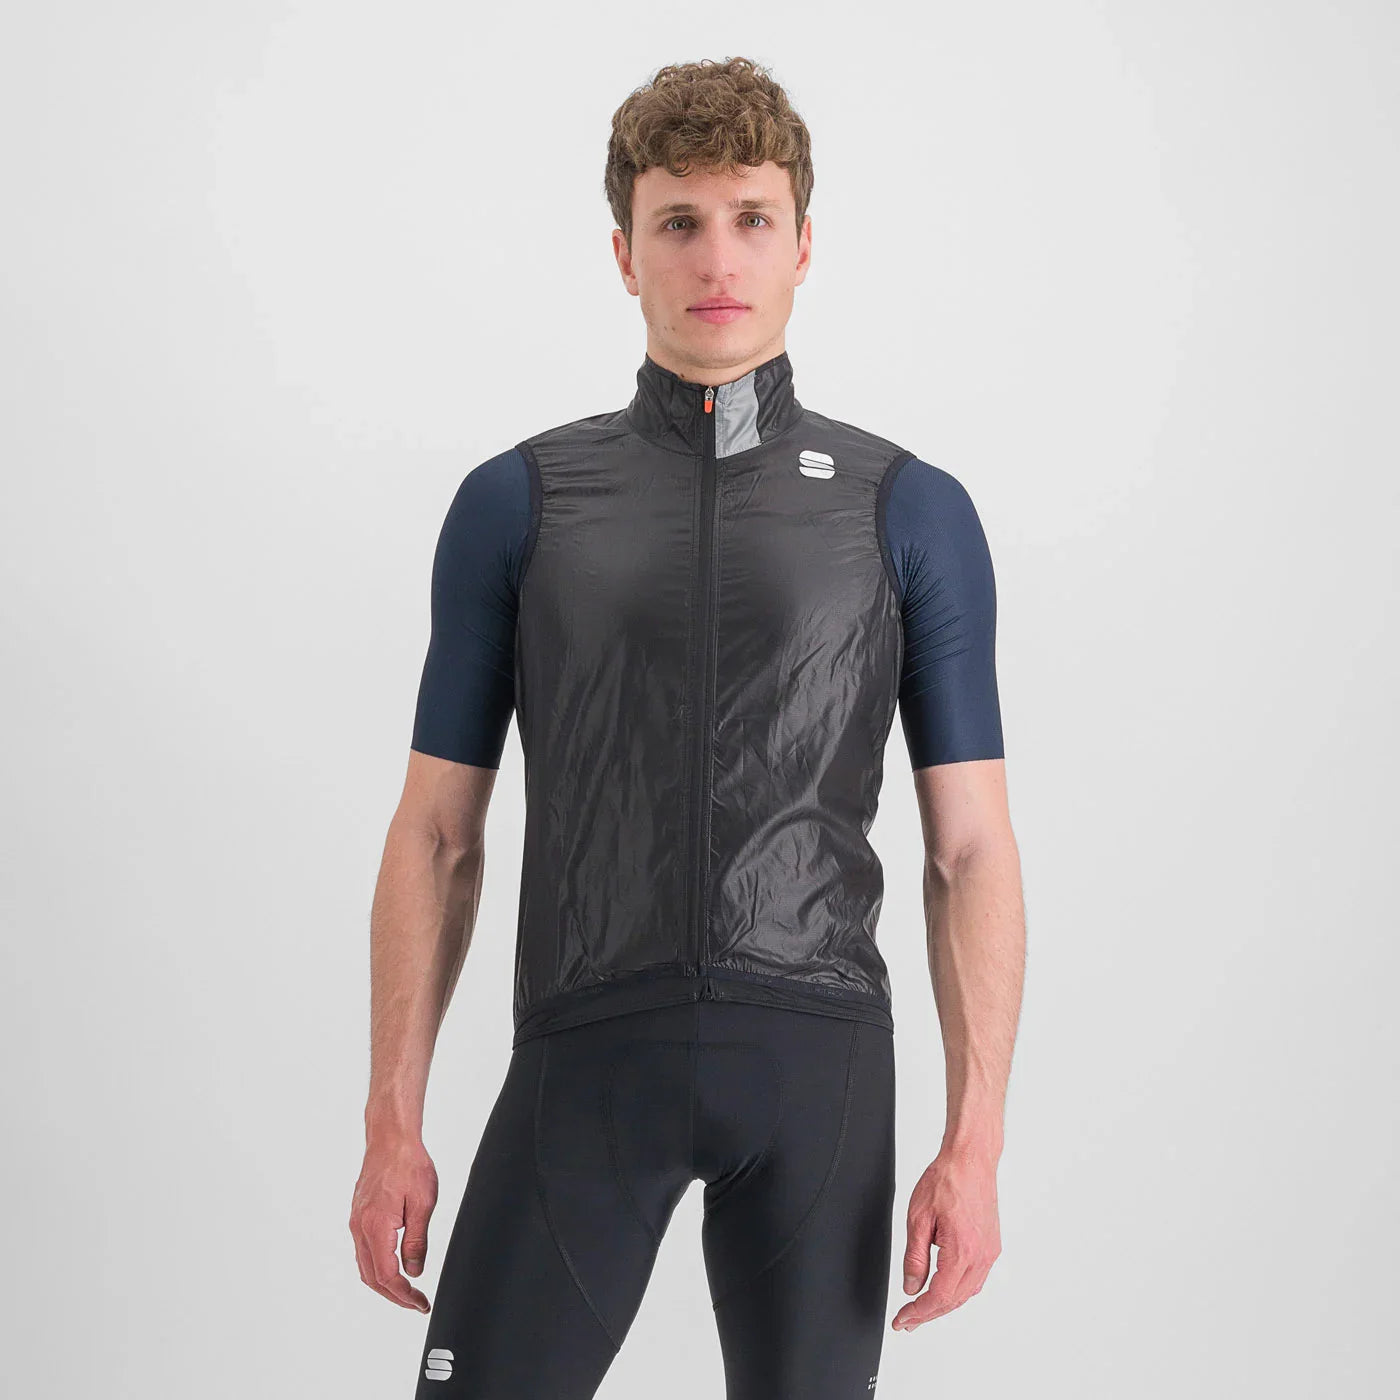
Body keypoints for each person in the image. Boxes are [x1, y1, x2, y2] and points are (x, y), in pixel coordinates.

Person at [349, 55, 1026, 1399]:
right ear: (624, 252)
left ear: (803, 244)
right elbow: (435, 836)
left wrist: (977, 1144)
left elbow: (971, 850)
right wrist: (391, 1121)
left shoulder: (907, 509)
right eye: (679, 222)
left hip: (817, 1062)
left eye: (751, 218)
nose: (718, 259)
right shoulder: (521, 501)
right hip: (588, 1047)